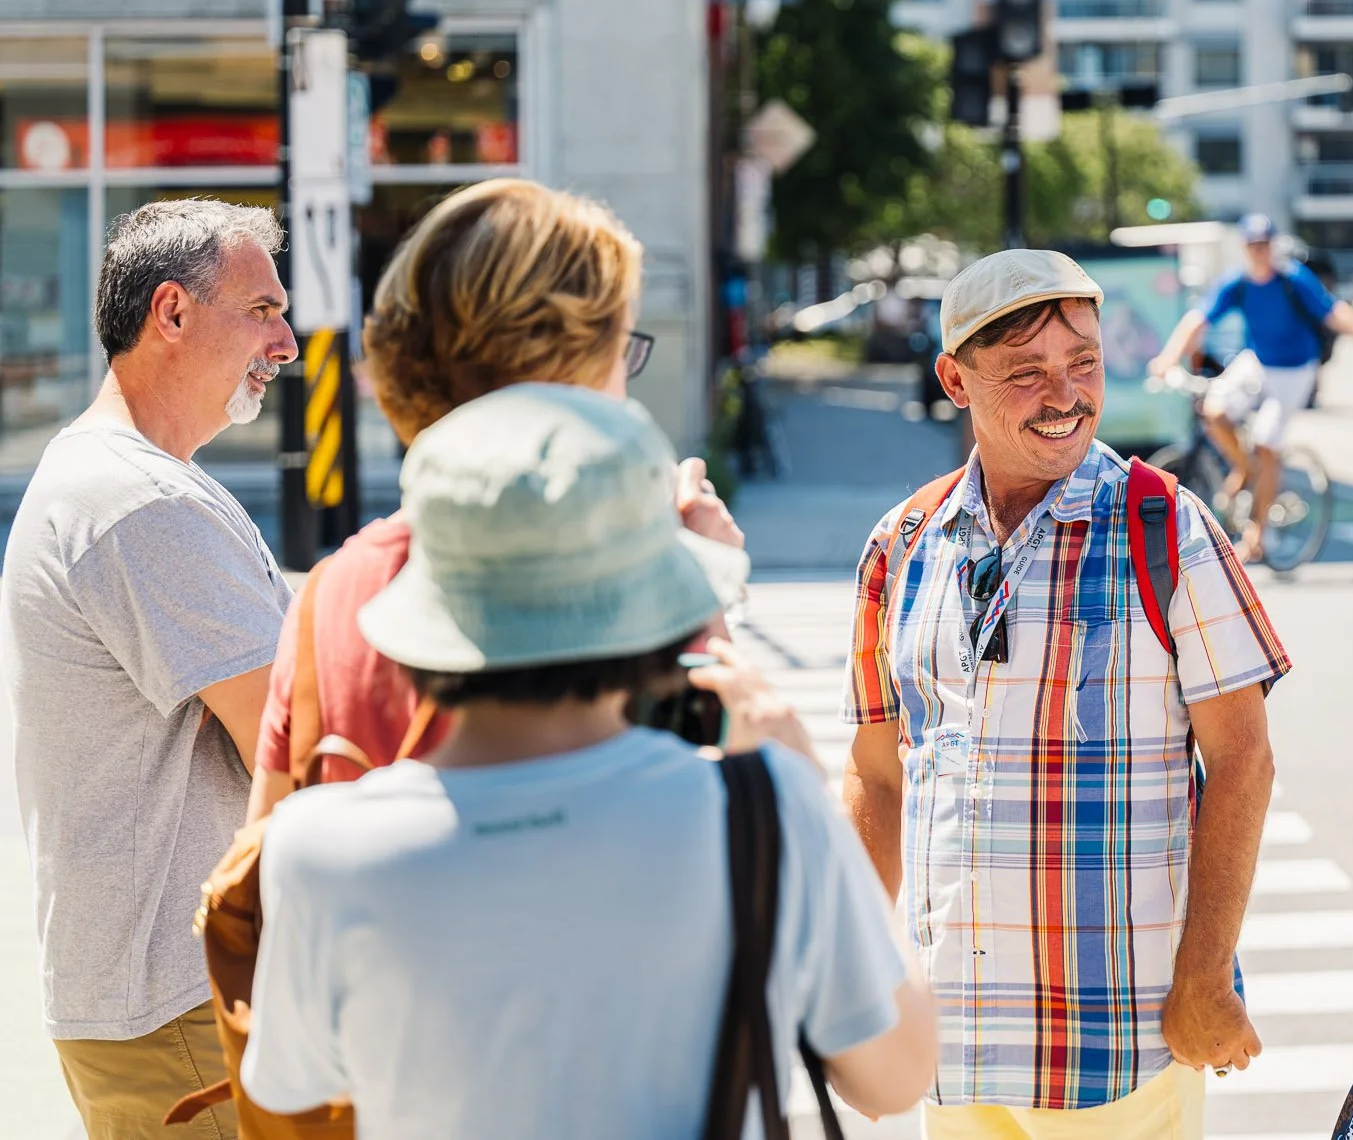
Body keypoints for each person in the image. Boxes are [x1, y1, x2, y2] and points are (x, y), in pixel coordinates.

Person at [241, 383, 937, 1136]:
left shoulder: (317, 848)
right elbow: (895, 1073)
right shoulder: (762, 810)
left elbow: (295, 1084)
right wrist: (797, 770)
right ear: (651, 616)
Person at [844, 248, 1292, 1136]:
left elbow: (1243, 761)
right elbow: (880, 774)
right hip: (955, 1048)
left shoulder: (1164, 525)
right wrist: (844, 978)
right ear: (954, 378)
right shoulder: (902, 543)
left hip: (1115, 1043)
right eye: (1025, 372)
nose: (1066, 395)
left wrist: (1205, 977)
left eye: (1082, 361)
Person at [243, 178, 778, 822]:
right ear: (565, 369)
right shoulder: (625, 578)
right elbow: (730, 833)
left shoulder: (331, 594)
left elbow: (267, 865)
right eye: (622, 348)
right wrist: (699, 592)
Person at [0, 199, 299, 1139]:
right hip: (179, 1003)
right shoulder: (139, 502)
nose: (286, 342)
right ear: (170, 312)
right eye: (262, 309)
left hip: (160, 995)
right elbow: (291, 746)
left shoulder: (129, 479)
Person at [1150, 213, 1353, 563]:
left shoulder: (1293, 278)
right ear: (1245, 248)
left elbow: (1333, 311)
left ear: (1273, 245)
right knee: (1213, 410)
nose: (1260, 252)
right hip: (1258, 362)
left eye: (1265, 244)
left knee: (1266, 440)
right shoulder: (1238, 283)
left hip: (1295, 369)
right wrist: (1168, 357)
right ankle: (1245, 467)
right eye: (1253, 245)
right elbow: (1198, 318)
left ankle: (1257, 533)